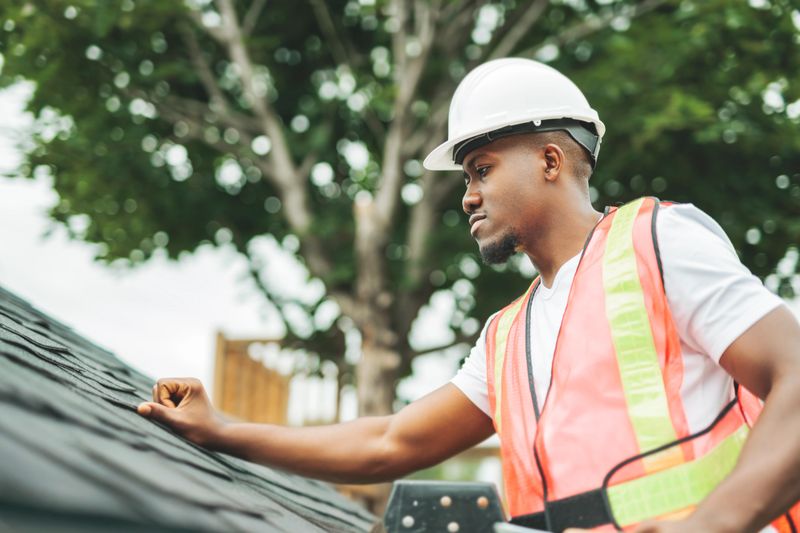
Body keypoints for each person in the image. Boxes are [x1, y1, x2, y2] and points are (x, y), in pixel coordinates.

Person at [137, 58, 800, 532]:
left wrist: (710, 524)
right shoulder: (507, 335)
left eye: (481, 168)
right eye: (466, 176)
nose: (468, 194)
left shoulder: (659, 242)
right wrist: (223, 429)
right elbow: (389, 441)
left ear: (550, 159)